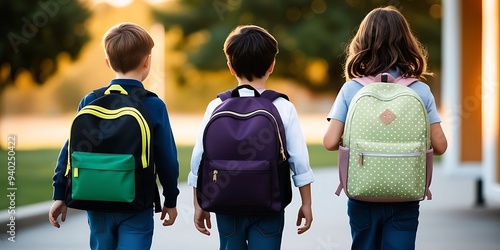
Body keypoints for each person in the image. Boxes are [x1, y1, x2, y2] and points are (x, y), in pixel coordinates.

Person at [323, 6, 448, 250]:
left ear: (361, 44)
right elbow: (441, 146)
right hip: (405, 194)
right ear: (407, 44)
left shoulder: (351, 89)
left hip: (362, 193)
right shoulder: (420, 91)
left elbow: (329, 142)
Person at [48, 22, 180, 250]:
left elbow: (70, 151)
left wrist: (60, 193)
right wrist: (170, 199)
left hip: (96, 202)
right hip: (137, 204)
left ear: (108, 63)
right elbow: (167, 159)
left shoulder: (90, 101)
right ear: (147, 61)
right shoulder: (153, 105)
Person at [188, 25, 314, 250]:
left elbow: (199, 159)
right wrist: (306, 203)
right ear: (271, 66)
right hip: (269, 203)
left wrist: (198, 203)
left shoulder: (216, 105)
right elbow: (299, 161)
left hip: (226, 202)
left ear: (230, 67)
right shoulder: (282, 107)